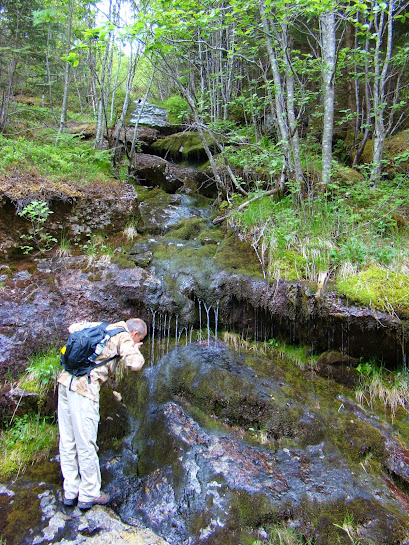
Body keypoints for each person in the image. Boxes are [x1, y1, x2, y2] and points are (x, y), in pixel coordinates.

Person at [57, 317, 147, 510]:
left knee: (67, 440)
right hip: (83, 389)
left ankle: (70, 491)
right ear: (135, 334)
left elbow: (72, 327)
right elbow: (136, 364)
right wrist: (134, 350)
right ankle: (88, 493)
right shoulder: (123, 337)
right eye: (140, 339)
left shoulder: (100, 326)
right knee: (85, 442)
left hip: (65, 383)